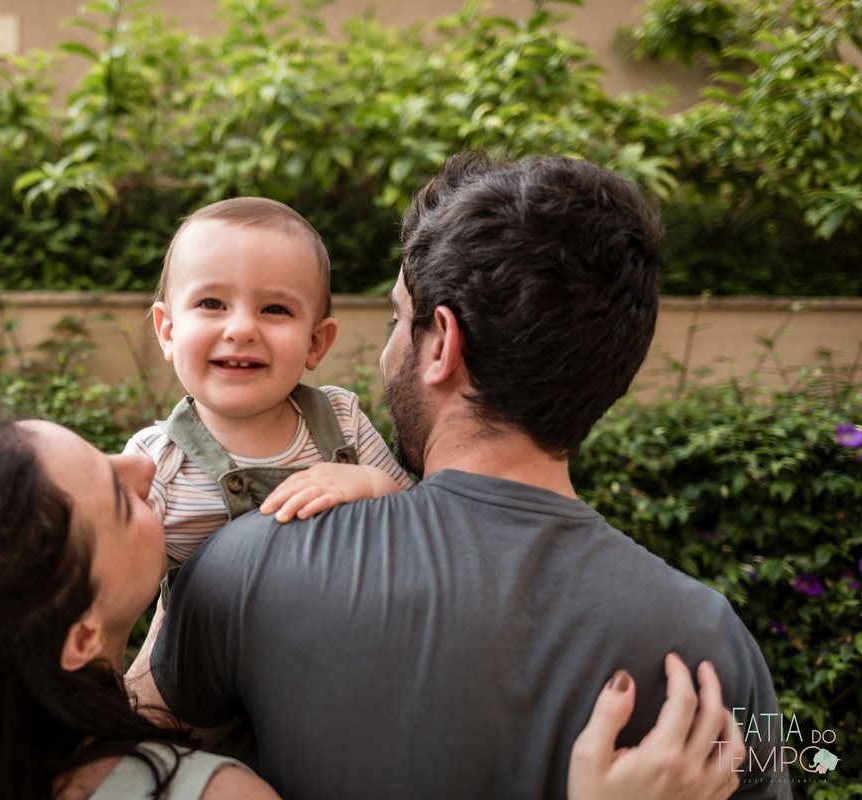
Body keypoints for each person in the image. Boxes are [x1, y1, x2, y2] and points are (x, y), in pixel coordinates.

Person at [135, 153, 792, 799]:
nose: (389, 347)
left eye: (398, 318)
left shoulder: (249, 560)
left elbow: (107, 767)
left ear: (441, 344)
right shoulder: (713, 639)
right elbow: (787, 763)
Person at [0, 415, 744, 800]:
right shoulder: (706, 631)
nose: (144, 461)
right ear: (76, 636)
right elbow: (799, 755)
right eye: (116, 497)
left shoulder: (240, 575)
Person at [124, 197, 414, 568]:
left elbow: (414, 525)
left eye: (275, 309)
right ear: (168, 331)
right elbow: (110, 585)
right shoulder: (155, 464)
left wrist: (373, 486)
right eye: (212, 303)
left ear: (315, 343)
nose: (242, 329)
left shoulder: (342, 423)